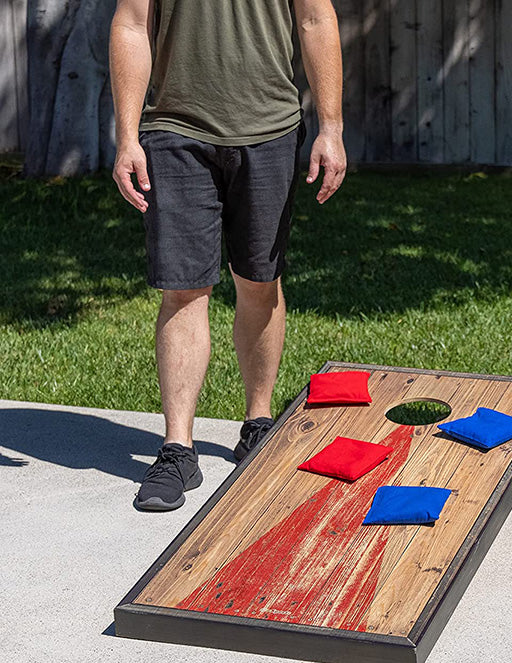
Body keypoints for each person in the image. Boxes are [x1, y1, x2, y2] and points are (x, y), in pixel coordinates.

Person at [109, 0, 346, 511]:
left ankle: (258, 423)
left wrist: (331, 127)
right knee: (183, 288)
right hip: (175, 130)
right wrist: (127, 136)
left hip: (271, 129)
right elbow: (131, 23)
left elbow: (315, 19)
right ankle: (177, 448)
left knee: (260, 280)